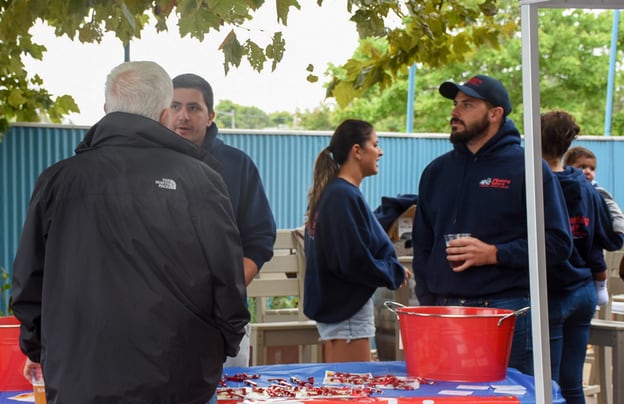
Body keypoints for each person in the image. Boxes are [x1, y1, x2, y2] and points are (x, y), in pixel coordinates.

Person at [10, 61, 250, 404]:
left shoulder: (60, 179)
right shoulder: (200, 178)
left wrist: (40, 350)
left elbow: (28, 284)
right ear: (164, 114)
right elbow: (229, 280)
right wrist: (219, 346)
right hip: (180, 380)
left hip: (85, 380)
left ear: (105, 111)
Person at [412, 74, 573, 376]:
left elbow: (558, 244)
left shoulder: (527, 168)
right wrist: (429, 301)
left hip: (505, 313)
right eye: (456, 104)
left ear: (495, 114)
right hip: (444, 313)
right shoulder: (436, 171)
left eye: (468, 104)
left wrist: (495, 253)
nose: (455, 112)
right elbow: (422, 244)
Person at [165, 73, 276, 367]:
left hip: (225, 321)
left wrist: (232, 286)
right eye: (175, 106)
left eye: (194, 108)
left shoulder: (237, 165)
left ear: (210, 115)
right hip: (163, 322)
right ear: (162, 112)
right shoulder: (147, 164)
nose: (183, 116)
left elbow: (261, 237)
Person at [541, 111, 622, 404]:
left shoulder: (538, 185)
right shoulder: (586, 187)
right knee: (571, 384)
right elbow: (607, 235)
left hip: (555, 292)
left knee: (550, 385)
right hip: (584, 292)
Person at [302, 120, 409, 362]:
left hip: (340, 310)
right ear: (357, 151)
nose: (380, 151)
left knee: (343, 388)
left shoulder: (334, 192)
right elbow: (352, 259)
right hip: (346, 313)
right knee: (351, 390)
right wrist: (394, 272)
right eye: (375, 144)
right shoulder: (342, 195)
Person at [564, 145, 624, 305]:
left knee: (596, 257)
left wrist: (618, 232)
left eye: (592, 168)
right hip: (572, 242)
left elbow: (615, 211)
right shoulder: (560, 188)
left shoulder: (597, 192)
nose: (588, 171)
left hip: (591, 238)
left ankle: (601, 286)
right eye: (582, 167)